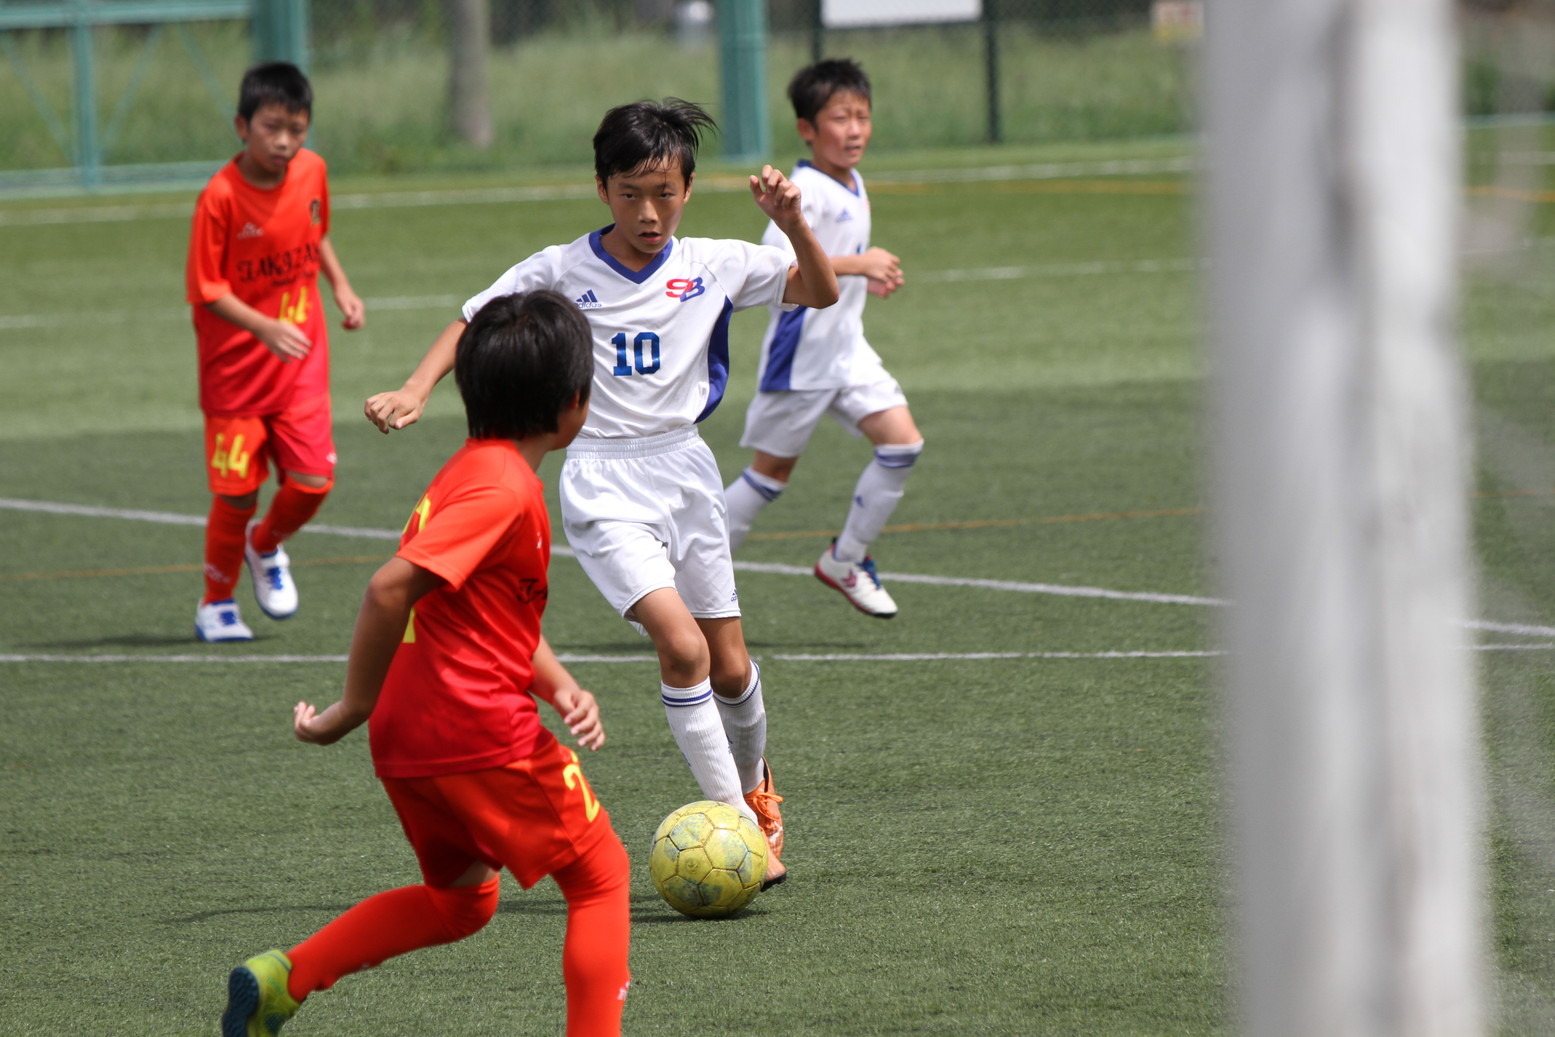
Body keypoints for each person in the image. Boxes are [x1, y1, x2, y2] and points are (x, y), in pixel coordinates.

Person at [364, 99, 840, 888]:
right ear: (601, 188)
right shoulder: (560, 269)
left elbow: (818, 292)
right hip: (600, 479)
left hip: (685, 471)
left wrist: (792, 224)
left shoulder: (714, 263)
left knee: (729, 666)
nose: (648, 212)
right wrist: (415, 388)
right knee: (681, 647)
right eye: (630, 193)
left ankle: (756, 785)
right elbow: (472, 319)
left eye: (665, 193)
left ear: (688, 188)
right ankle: (740, 825)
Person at [221, 290, 631, 1037]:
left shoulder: (470, 471)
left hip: (412, 739)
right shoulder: (505, 490)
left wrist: (560, 683)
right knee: (601, 876)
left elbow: (489, 614)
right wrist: (349, 707)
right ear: (573, 403)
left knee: (461, 902)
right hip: (475, 730)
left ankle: (284, 980)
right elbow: (390, 588)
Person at [722, 59, 924, 620]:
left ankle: (845, 559)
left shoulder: (852, 181)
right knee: (770, 475)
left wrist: (863, 278)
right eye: (840, 118)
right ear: (807, 129)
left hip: (847, 349)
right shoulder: (805, 189)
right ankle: (682, 583)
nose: (855, 129)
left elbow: (833, 264)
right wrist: (861, 263)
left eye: (863, 116)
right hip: (803, 356)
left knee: (902, 445)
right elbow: (777, 262)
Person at [186, 60, 365, 643]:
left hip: (299, 362)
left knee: (313, 482)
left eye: (296, 128)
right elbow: (207, 288)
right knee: (236, 493)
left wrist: (340, 286)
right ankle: (216, 604)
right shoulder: (219, 197)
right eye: (271, 127)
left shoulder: (313, 171)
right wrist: (264, 327)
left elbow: (316, 233)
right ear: (242, 126)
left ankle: (264, 546)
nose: (285, 141)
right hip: (234, 374)